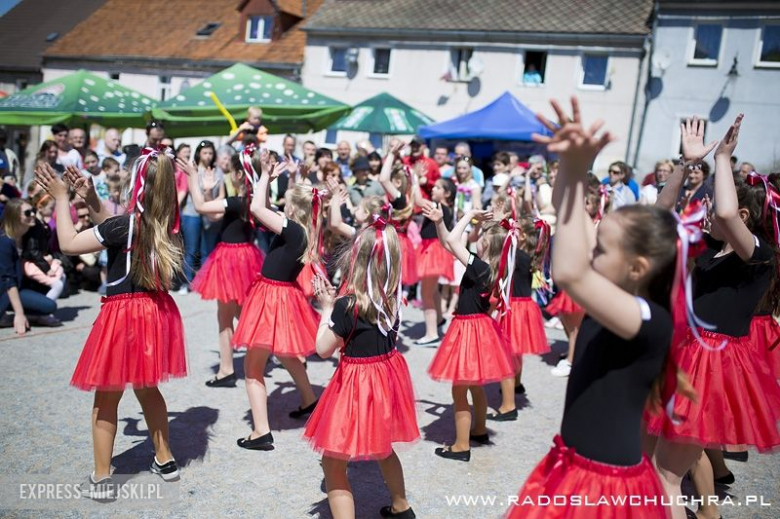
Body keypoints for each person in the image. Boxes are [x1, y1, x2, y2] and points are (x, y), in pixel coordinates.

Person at [505, 96, 680, 519]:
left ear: (637, 268)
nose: (590, 252)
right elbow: (574, 221)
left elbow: (570, 272)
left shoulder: (648, 320)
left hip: (605, 489)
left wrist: (570, 169)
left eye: (602, 249)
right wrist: (574, 167)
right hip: (573, 467)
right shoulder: (618, 298)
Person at [646, 115, 780, 519]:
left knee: (666, 475)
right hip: (688, 355)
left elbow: (723, 212)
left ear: (742, 213)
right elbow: (661, 212)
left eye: (711, 203)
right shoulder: (710, 248)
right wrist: (688, 165)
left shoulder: (759, 256)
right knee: (654, 465)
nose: (704, 209)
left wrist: (723, 157)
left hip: (714, 365)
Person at [35, 151, 187, 498]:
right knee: (148, 388)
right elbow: (113, 226)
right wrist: (89, 197)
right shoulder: (166, 227)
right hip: (154, 313)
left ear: (137, 184)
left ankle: (102, 479)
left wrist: (62, 198)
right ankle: (165, 460)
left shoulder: (127, 225)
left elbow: (70, 244)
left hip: (124, 316)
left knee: (107, 397)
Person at [303, 220, 419, 519]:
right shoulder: (391, 298)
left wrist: (326, 308)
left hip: (357, 382)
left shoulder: (347, 305)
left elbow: (322, 348)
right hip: (386, 376)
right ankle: (401, 506)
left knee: (332, 461)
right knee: (382, 447)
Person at [231, 151, 321, 450]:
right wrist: (269, 179)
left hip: (271, 297)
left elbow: (257, 208)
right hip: (284, 296)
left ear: (294, 205)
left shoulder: (293, 229)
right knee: (284, 352)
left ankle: (261, 431)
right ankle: (309, 400)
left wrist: (264, 178)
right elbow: (267, 208)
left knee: (252, 368)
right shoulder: (304, 230)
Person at [425, 204, 515, 462]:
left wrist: (469, 215)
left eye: (483, 237)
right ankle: (479, 429)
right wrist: (440, 221)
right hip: (481, 329)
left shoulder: (480, 267)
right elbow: (448, 243)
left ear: (489, 245)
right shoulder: (494, 269)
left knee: (459, 390)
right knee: (475, 385)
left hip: (467, 329)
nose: (478, 239)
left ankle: (461, 446)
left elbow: (454, 241)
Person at [177, 149, 264, 388]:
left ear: (238, 174)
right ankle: (257, 351)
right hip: (246, 257)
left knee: (227, 316)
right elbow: (216, 216)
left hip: (231, 259)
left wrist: (192, 176)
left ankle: (227, 369)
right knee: (239, 312)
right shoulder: (253, 200)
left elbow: (200, 206)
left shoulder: (237, 201)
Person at [491, 216, 551, 419]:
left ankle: (508, 406)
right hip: (525, 307)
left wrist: (499, 224)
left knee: (507, 357)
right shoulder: (530, 255)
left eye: (514, 229)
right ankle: (516, 385)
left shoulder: (515, 255)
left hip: (514, 309)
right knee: (516, 352)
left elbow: (498, 243)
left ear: (522, 235)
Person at [0, 199, 60, 330]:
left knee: (55, 286)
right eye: (27, 213)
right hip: (5, 290)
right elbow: (8, 281)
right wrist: (19, 314)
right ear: (15, 217)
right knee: (49, 306)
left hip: (21, 284)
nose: (33, 214)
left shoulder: (26, 236)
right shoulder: (4, 242)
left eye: (33, 211)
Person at [179, 140, 225, 294]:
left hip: (211, 214)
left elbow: (222, 195)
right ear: (199, 153)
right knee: (191, 249)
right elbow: (189, 192)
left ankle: (206, 283)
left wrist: (212, 204)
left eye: (210, 153)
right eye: (205, 152)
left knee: (208, 250)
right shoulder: (193, 170)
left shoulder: (218, 171)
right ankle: (187, 283)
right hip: (192, 213)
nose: (208, 156)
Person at [415, 178, 456, 344]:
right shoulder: (444, 208)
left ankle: (432, 334)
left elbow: (418, 200)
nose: (433, 189)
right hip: (431, 249)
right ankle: (438, 319)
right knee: (432, 290)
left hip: (432, 251)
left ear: (446, 193)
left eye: (437, 187)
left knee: (426, 293)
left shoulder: (437, 207)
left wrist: (414, 178)